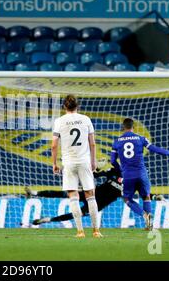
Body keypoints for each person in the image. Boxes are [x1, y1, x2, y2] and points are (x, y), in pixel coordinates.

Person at [26, 167, 166, 225]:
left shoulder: (134, 183)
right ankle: (34, 194)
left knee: (74, 214)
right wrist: (95, 169)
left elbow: (144, 194)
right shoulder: (116, 171)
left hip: (96, 205)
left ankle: (47, 220)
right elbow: (96, 174)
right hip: (91, 194)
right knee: (65, 193)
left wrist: (155, 197)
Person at [111, 118, 169, 230]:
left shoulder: (117, 142)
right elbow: (155, 149)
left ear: (123, 128)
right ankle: (149, 224)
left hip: (128, 175)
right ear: (133, 127)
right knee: (146, 196)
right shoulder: (141, 138)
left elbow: (113, 161)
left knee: (127, 199)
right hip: (142, 174)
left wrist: (120, 171)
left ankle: (144, 215)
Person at [52, 95, 101, 238]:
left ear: (64, 107)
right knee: (90, 195)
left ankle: (80, 231)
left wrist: (55, 163)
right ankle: (96, 231)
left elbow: (54, 145)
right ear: (77, 106)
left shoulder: (59, 121)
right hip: (84, 161)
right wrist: (93, 161)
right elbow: (92, 143)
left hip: (69, 163)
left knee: (73, 195)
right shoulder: (85, 119)